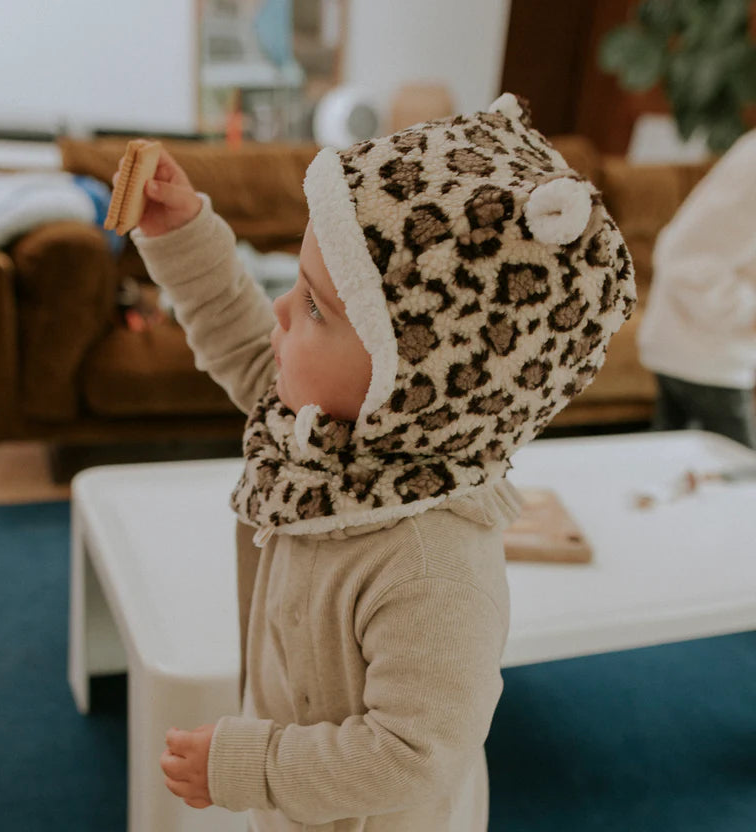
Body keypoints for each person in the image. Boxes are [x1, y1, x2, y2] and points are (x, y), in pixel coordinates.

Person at [121, 93, 636, 832]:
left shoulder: (434, 567)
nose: (279, 313)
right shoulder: (330, 433)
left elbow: (415, 753)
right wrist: (185, 234)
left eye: (316, 308)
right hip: (301, 807)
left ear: (416, 383)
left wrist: (252, 766)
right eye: (298, 289)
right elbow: (243, 343)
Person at [637, 128, 756, 449]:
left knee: (669, 472)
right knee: (741, 481)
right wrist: (748, 312)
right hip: (703, 355)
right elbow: (683, 256)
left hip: (700, 348)